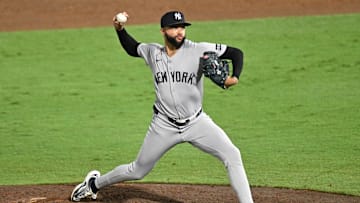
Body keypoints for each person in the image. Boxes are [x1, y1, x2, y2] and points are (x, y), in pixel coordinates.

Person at [71, 10, 254, 203]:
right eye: (174, 28)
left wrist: (234, 78)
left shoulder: (199, 50)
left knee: (233, 155)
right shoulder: (153, 52)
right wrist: (119, 29)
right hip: (164, 125)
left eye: (182, 27)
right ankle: (92, 185)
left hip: (197, 123)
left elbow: (235, 53)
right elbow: (132, 48)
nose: (180, 31)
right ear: (163, 31)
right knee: (137, 170)